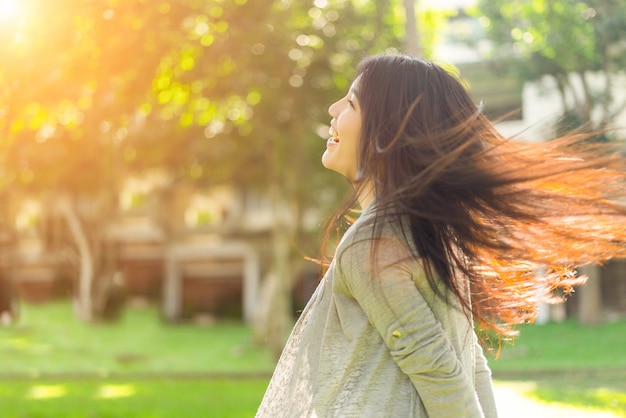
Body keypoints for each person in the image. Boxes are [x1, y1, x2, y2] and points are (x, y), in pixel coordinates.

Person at [256, 54, 626, 417]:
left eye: (351, 102)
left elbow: (438, 367)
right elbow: (467, 361)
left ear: (386, 132)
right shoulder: (432, 233)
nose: (334, 109)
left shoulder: (372, 243)